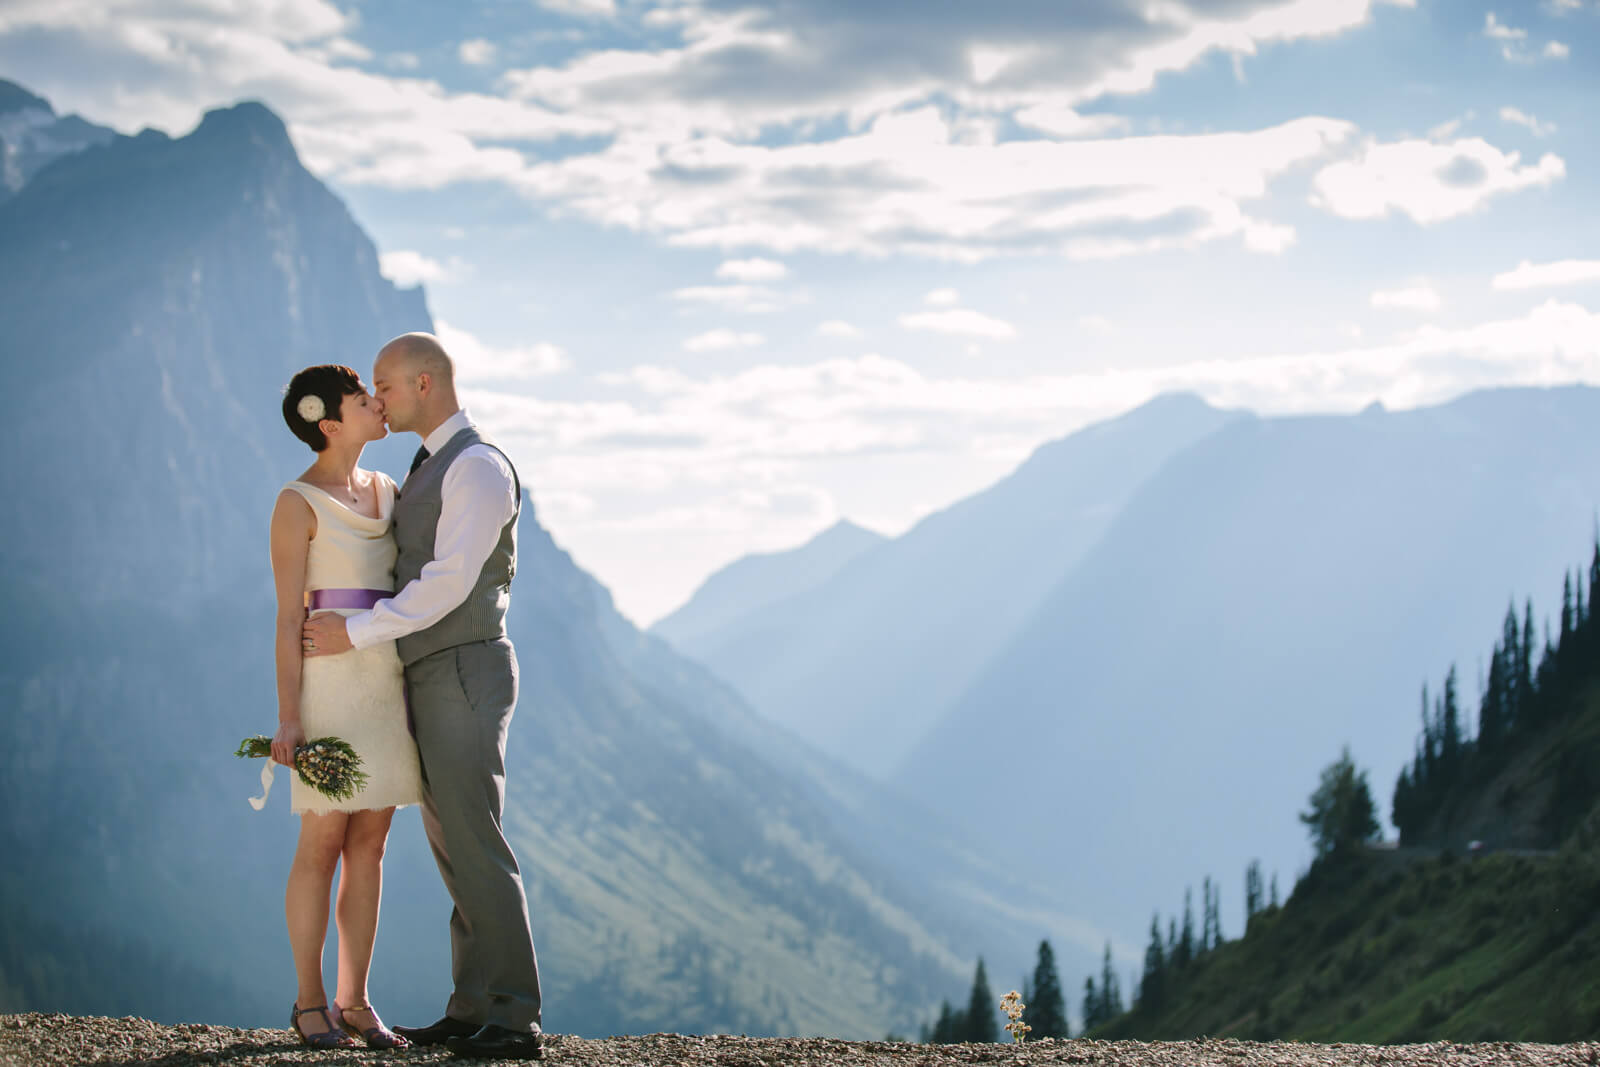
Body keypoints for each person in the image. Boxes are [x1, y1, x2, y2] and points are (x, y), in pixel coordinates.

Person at [302, 332, 544, 1061]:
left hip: (465, 669)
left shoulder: (476, 468)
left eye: (386, 383)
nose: (377, 397)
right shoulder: (434, 463)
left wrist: (359, 632)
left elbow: (448, 583)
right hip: (436, 673)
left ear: (426, 384)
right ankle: (473, 1006)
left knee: (476, 841)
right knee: (454, 847)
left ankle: (513, 1016)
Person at [269, 364, 422, 1050]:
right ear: (330, 423)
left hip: (382, 680)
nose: (377, 403)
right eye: (364, 400)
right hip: (326, 689)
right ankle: (308, 1002)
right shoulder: (296, 503)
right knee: (323, 840)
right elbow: (283, 619)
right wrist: (290, 719)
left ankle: (355, 1000)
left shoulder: (389, 491)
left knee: (371, 844)